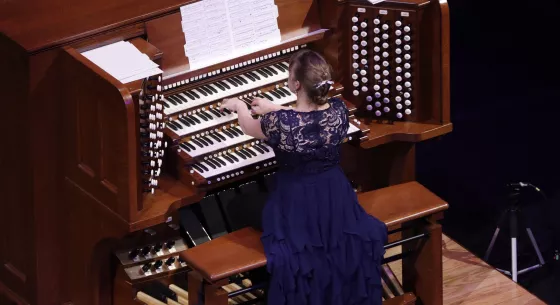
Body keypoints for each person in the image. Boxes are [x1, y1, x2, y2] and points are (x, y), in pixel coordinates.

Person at [219, 49, 387, 305]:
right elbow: (308, 119)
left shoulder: (279, 122)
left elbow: (249, 127)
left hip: (296, 203)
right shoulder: (339, 112)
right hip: (335, 198)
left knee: (237, 206)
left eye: (289, 75)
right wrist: (275, 107)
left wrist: (239, 106)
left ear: (296, 84)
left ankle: (262, 281)